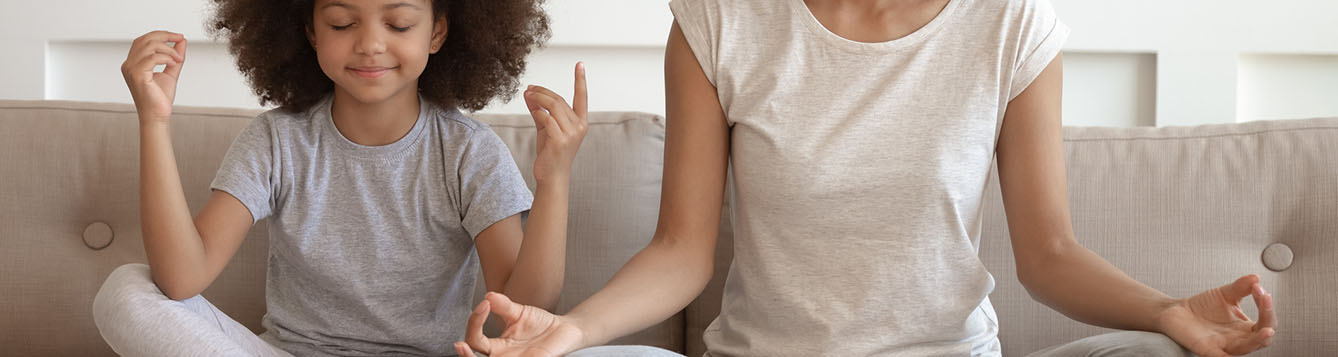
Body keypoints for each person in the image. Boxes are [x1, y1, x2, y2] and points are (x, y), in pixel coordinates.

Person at [454, 0, 1278, 356]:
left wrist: (1169, 310)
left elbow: (1051, 252)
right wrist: (570, 330)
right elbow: (681, 251)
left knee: (1150, 351)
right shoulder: (720, 20)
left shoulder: (1011, 26)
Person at [91, 0, 612, 355]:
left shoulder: (469, 151)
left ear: (438, 30)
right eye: (342, 23)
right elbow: (182, 279)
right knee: (124, 291)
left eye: (399, 24)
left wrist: (554, 179)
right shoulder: (277, 140)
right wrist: (154, 121)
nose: (369, 44)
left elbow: (524, 313)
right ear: (310, 29)